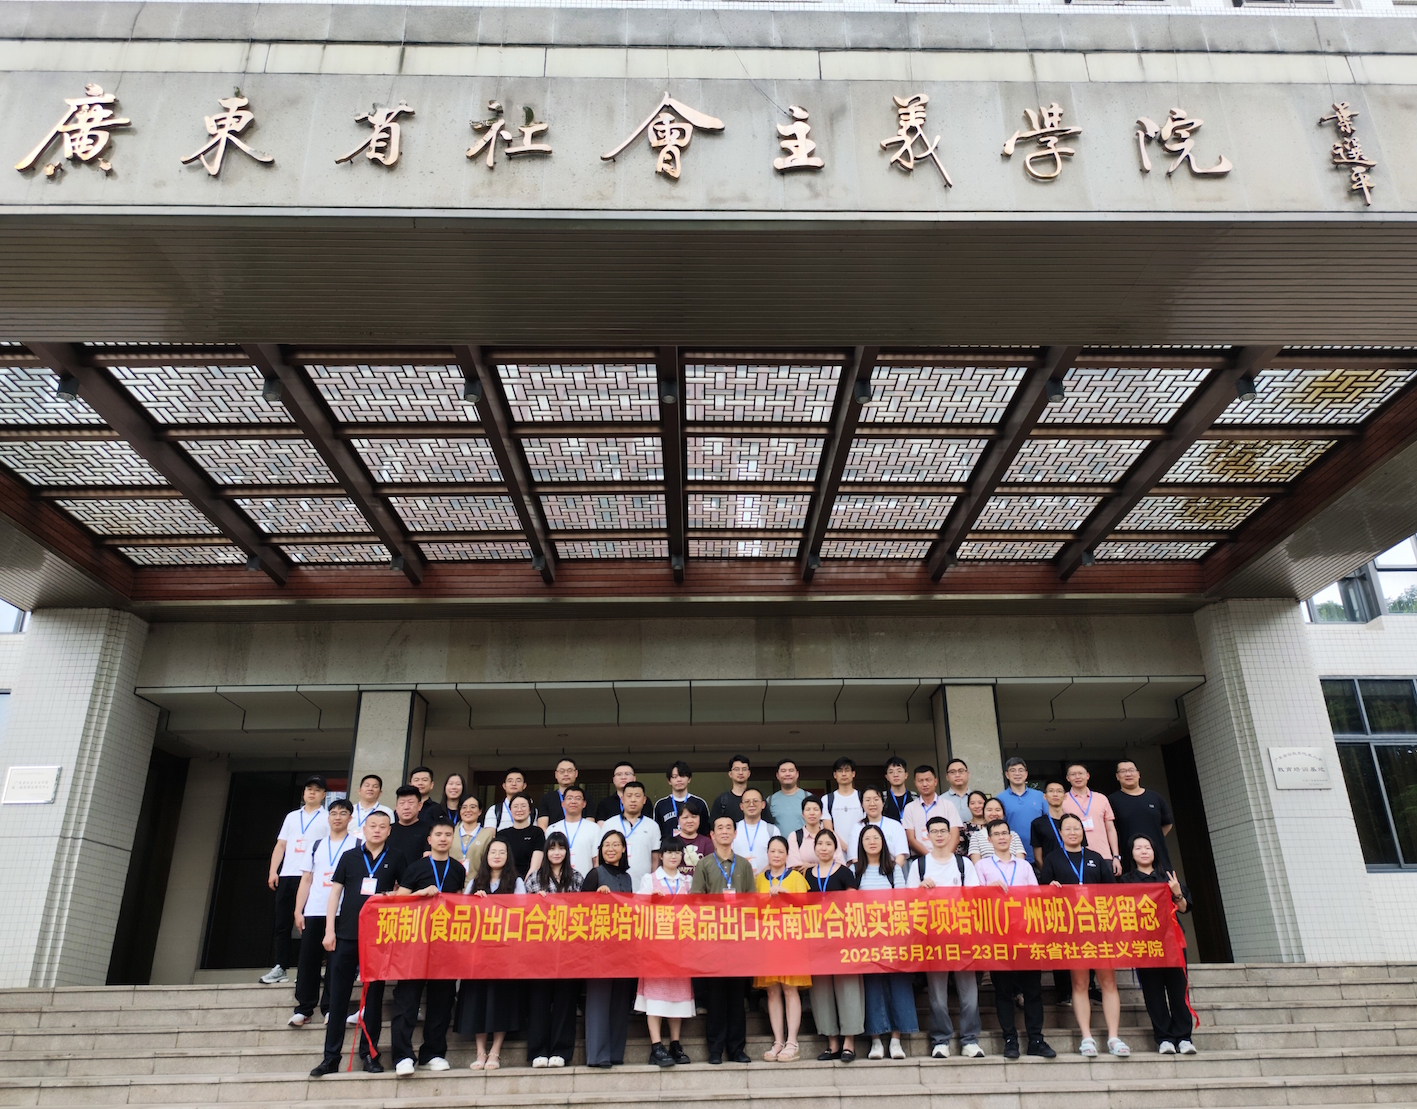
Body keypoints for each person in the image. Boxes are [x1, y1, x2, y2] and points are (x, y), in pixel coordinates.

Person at [310, 809, 403, 1077]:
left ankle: (369, 1055)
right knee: (339, 999)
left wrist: (392, 896)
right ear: (364, 829)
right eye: (372, 825)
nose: (377, 830)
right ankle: (330, 1058)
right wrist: (329, 931)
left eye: (382, 826)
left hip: (378, 939)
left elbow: (404, 890)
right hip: (346, 935)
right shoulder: (349, 857)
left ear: (389, 830)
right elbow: (335, 894)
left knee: (373, 999)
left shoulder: (396, 857)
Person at [1039, 813, 1129, 1058]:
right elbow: (1042, 894)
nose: (1072, 832)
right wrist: (1050, 889)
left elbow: (1111, 894)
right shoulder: (1053, 858)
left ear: (1083, 832)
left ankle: (1114, 1037)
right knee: (1079, 984)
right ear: (1060, 833)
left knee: (1108, 983)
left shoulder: (1095, 858)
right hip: (1071, 931)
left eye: (1076, 828)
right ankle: (1087, 1037)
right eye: (1067, 828)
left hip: (1099, 929)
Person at [390, 817, 466, 1075]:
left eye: (448, 834)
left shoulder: (457, 869)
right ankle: (402, 1055)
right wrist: (419, 895)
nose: (443, 839)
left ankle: (432, 1053)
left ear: (452, 838)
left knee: (442, 1001)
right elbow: (398, 903)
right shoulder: (416, 867)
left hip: (445, 944)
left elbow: (460, 904)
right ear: (429, 839)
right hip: (415, 943)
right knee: (407, 1000)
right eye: (438, 835)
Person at [976, 818, 1055, 1060]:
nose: (1001, 837)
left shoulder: (1024, 866)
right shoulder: (982, 866)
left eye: (1005, 833)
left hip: (1026, 935)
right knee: (1003, 991)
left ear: (1011, 838)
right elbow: (974, 900)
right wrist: (988, 888)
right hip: (998, 936)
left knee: (1033, 991)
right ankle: (1010, 1039)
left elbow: (1036, 896)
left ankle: (1036, 1039)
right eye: (996, 834)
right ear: (989, 840)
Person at [907, 815, 984, 1059]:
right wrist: (920, 889)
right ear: (927, 836)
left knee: (969, 994)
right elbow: (908, 903)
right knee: (937, 995)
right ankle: (941, 1040)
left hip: (962, 936)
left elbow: (974, 899)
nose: (939, 835)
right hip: (933, 938)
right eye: (935, 831)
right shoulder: (919, 865)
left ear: (951, 835)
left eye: (943, 831)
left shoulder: (963, 864)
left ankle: (970, 1040)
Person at [690, 815, 754, 1064]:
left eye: (729, 827)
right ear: (712, 835)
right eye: (720, 828)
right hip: (713, 941)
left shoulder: (744, 866)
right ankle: (715, 1050)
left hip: (738, 941)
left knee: (737, 997)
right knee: (715, 997)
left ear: (735, 834)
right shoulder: (704, 865)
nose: (725, 831)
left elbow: (751, 902)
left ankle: (737, 1049)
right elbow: (696, 901)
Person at [1121, 835, 1194, 1054]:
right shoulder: (1125, 881)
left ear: (1154, 852)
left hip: (1172, 942)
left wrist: (1176, 892)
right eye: (1138, 848)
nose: (1143, 851)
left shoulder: (1168, 877)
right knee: (1153, 993)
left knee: (1178, 990)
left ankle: (1184, 1037)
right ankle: (1164, 1038)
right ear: (1131, 853)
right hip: (1143, 944)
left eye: (1147, 848)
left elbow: (1184, 908)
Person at [457, 840, 525, 1070]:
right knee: (478, 999)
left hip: (505, 951)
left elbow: (522, 912)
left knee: (501, 999)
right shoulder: (474, 882)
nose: (497, 855)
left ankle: (495, 1051)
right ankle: (480, 1051)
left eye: (502, 852)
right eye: (493, 852)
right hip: (478, 952)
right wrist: (476, 903)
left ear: (508, 856)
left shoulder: (516, 882)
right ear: (486, 856)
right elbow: (462, 913)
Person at [289, 797, 356, 1026]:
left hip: (342, 912)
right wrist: (298, 910)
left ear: (350, 818)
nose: (338, 817)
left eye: (343, 813)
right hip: (315, 909)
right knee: (308, 959)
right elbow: (306, 879)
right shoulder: (316, 845)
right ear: (328, 818)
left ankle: (330, 1008)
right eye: (334, 813)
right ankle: (304, 1008)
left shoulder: (357, 844)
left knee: (337, 962)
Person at [854, 826, 916, 1059]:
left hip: (892, 936)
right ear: (861, 844)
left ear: (883, 842)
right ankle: (876, 1040)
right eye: (867, 838)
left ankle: (896, 1040)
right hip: (866, 939)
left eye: (876, 838)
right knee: (872, 987)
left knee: (898, 985)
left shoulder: (893, 869)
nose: (872, 842)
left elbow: (901, 902)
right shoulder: (855, 870)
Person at [263, 774, 329, 985]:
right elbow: (281, 845)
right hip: (287, 874)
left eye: (317, 790)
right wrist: (273, 871)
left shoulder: (327, 817)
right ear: (303, 793)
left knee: (310, 925)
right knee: (282, 923)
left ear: (323, 795)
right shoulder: (292, 816)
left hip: (311, 876)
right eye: (309, 789)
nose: (312, 793)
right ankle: (280, 967)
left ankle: (309, 969)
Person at [636, 838, 696, 1067]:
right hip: (656, 948)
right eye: (669, 852)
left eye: (678, 852)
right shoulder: (650, 879)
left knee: (677, 996)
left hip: (680, 948)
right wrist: (650, 901)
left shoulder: (687, 881)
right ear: (660, 855)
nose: (673, 856)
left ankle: (675, 1043)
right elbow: (637, 908)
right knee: (655, 996)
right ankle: (656, 1045)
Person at [525, 831, 583, 1067]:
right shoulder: (534, 878)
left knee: (565, 999)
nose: (556, 853)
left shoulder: (576, 877)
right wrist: (535, 902)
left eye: (561, 848)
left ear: (566, 852)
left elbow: (583, 911)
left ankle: (561, 1050)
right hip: (540, 949)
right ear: (546, 852)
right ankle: (538, 1051)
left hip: (568, 948)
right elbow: (523, 913)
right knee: (539, 999)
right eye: (552, 848)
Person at [805, 830, 861, 1063]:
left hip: (842, 939)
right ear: (814, 848)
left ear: (835, 848)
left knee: (848, 988)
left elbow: (854, 904)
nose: (824, 847)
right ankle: (832, 1043)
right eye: (820, 843)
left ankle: (849, 1042)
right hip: (816, 940)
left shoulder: (845, 872)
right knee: (822, 991)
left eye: (829, 844)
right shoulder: (806, 874)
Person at [582, 830, 637, 1067]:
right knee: (599, 999)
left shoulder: (628, 878)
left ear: (624, 849)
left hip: (624, 947)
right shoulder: (595, 874)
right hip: (599, 947)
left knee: (620, 1001)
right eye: (606, 845)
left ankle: (615, 1052)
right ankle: (598, 1055)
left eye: (615, 845)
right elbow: (580, 909)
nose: (610, 849)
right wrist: (597, 898)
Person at [754, 835, 812, 1062]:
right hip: (767, 941)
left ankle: (792, 1041)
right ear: (767, 854)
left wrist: (786, 895)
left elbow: (806, 906)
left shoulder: (796, 877)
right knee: (772, 991)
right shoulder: (760, 879)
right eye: (772, 851)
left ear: (787, 855)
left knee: (790, 989)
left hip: (791, 940)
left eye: (780, 851)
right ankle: (778, 1040)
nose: (776, 855)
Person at [1110, 761, 1175, 873]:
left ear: (1138, 774)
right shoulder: (1111, 801)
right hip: (1128, 860)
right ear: (1117, 776)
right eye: (1123, 771)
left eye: (1131, 770)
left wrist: (1152, 840)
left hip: (1158, 857)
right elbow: (1109, 829)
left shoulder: (1155, 797)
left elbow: (1167, 823)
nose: (1128, 774)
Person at [1061, 762, 1122, 876]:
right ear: (1068, 778)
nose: (1077, 777)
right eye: (1073, 774)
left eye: (1081, 773)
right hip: (1075, 855)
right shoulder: (1063, 800)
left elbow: (1110, 829)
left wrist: (1115, 856)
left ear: (1087, 776)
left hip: (1103, 854)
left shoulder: (1101, 798)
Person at [598, 780, 661, 884]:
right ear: (622, 799)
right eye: (629, 796)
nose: (633, 800)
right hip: (612, 884)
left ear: (644, 800)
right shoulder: (609, 824)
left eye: (637, 796)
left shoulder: (652, 826)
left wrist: (653, 883)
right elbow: (600, 855)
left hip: (643, 885)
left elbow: (655, 860)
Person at [996, 758, 1048, 865]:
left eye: (1020, 770)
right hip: (1012, 856)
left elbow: (1048, 823)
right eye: (1013, 770)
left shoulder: (1040, 796)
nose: (1017, 774)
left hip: (1040, 855)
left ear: (1026, 774)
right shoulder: (1000, 799)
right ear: (1007, 775)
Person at [902, 765, 960, 859]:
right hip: (920, 858)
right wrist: (931, 859)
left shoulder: (948, 805)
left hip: (947, 858)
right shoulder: (910, 808)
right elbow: (911, 839)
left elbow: (955, 836)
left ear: (935, 781)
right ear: (915, 783)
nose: (925, 784)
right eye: (920, 781)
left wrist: (945, 857)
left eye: (928, 780)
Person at [547, 784, 598, 877]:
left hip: (585, 881)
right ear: (563, 803)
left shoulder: (594, 828)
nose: (573, 801)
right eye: (569, 798)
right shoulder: (552, 829)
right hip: (557, 881)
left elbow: (596, 859)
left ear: (584, 804)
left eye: (578, 798)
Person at [822, 757, 864, 862]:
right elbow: (828, 829)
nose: (844, 774)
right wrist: (845, 848)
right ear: (835, 775)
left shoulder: (862, 797)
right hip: (837, 853)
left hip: (861, 851)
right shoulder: (827, 799)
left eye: (847, 770)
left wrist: (854, 850)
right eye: (840, 771)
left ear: (853, 774)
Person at [653, 760, 708, 839]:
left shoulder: (699, 803)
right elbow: (656, 833)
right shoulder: (661, 805)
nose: (679, 779)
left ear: (689, 779)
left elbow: (705, 832)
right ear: (669, 781)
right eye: (674, 777)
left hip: (694, 846)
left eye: (682, 776)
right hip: (668, 846)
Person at [494, 794, 546, 878]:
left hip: (530, 880)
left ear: (530, 810)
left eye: (523, 806)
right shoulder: (501, 834)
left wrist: (524, 883)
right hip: (505, 880)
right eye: (515, 806)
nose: (519, 809)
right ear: (510, 810)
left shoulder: (537, 832)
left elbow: (535, 866)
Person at [732, 786, 780, 873]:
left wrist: (761, 876)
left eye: (755, 801)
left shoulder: (772, 830)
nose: (751, 804)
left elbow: (778, 858)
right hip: (738, 878)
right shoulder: (733, 830)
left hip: (766, 878)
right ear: (741, 806)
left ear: (763, 805)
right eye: (747, 801)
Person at [786, 797, 842, 869]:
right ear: (803, 814)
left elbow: (839, 863)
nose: (812, 813)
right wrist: (825, 865)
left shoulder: (831, 835)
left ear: (821, 814)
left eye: (816, 809)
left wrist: (810, 865)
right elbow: (794, 865)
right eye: (808, 809)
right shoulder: (794, 836)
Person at [858, 787, 909, 867]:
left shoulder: (895, 825)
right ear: (862, 804)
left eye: (876, 799)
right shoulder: (857, 827)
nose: (872, 803)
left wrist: (892, 872)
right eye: (868, 800)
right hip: (865, 872)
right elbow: (855, 858)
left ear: (883, 802)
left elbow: (901, 856)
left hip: (892, 871)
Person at [968, 797, 1026, 862]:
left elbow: (1021, 863)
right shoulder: (976, 836)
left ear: (1003, 813)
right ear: (983, 813)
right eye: (989, 810)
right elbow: (977, 864)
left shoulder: (1013, 835)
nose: (994, 813)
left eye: (998, 810)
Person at [1030, 781, 1069, 870]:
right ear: (1045, 796)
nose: (1055, 794)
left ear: (1065, 796)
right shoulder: (1037, 823)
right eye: (1051, 791)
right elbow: (1038, 858)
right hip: (1050, 871)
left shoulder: (1073, 821)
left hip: (1074, 871)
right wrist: (1047, 874)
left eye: (1059, 791)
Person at [768, 758, 811, 836]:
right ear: (777, 775)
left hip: (803, 843)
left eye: (791, 770)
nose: (787, 774)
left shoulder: (808, 797)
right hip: (779, 843)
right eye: (783, 771)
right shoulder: (770, 800)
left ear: (797, 774)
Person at [453, 796, 495, 876]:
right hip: (452, 881)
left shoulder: (487, 835)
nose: (468, 810)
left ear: (479, 811)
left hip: (477, 881)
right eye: (464, 807)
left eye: (473, 807)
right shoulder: (451, 832)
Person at [387, 785, 431, 861]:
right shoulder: (387, 830)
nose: (406, 807)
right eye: (402, 803)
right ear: (396, 807)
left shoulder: (429, 830)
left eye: (411, 803)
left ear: (419, 806)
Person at [537, 757, 579, 830]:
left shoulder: (585, 797)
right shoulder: (547, 798)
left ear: (576, 773)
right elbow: (542, 825)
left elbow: (590, 822)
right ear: (556, 775)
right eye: (562, 771)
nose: (566, 774)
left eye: (569, 771)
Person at [709, 754, 752, 825]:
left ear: (749, 773)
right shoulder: (721, 801)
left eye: (744, 769)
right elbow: (713, 825)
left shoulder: (758, 799)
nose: (740, 772)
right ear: (730, 774)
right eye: (736, 769)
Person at [350, 773, 393, 841]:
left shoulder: (387, 811)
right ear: (359, 790)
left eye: (375, 787)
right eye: (367, 786)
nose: (370, 789)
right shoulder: (350, 810)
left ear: (380, 792)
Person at [674, 804, 713, 875]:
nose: (690, 821)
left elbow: (711, 870)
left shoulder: (707, 842)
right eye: (685, 817)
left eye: (694, 817)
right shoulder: (672, 842)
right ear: (678, 820)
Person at [882, 757, 916, 825]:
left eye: (899, 771)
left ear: (906, 775)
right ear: (887, 777)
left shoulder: (915, 797)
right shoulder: (882, 797)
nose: (895, 775)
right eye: (891, 772)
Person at [941, 758, 973, 827]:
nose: (957, 775)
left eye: (961, 771)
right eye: (952, 772)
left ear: (968, 774)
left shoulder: (977, 798)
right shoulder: (941, 800)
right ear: (947, 777)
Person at [959, 790, 989, 858]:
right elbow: (960, 851)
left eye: (980, 803)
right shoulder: (964, 827)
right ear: (968, 806)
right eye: (972, 803)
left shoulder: (993, 825)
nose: (977, 806)